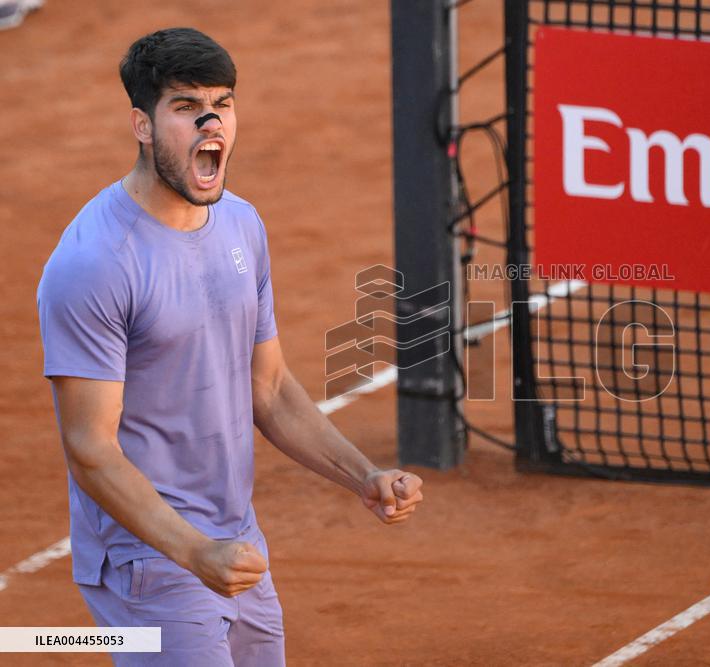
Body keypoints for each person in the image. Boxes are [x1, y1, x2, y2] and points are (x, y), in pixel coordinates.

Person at [36, 27, 423, 666]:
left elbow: (266, 387)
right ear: (142, 124)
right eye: (186, 107)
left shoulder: (241, 223)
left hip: (235, 543)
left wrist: (365, 475)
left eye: (223, 103)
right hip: (151, 556)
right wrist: (193, 552)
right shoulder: (96, 264)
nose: (210, 122)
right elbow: (89, 447)